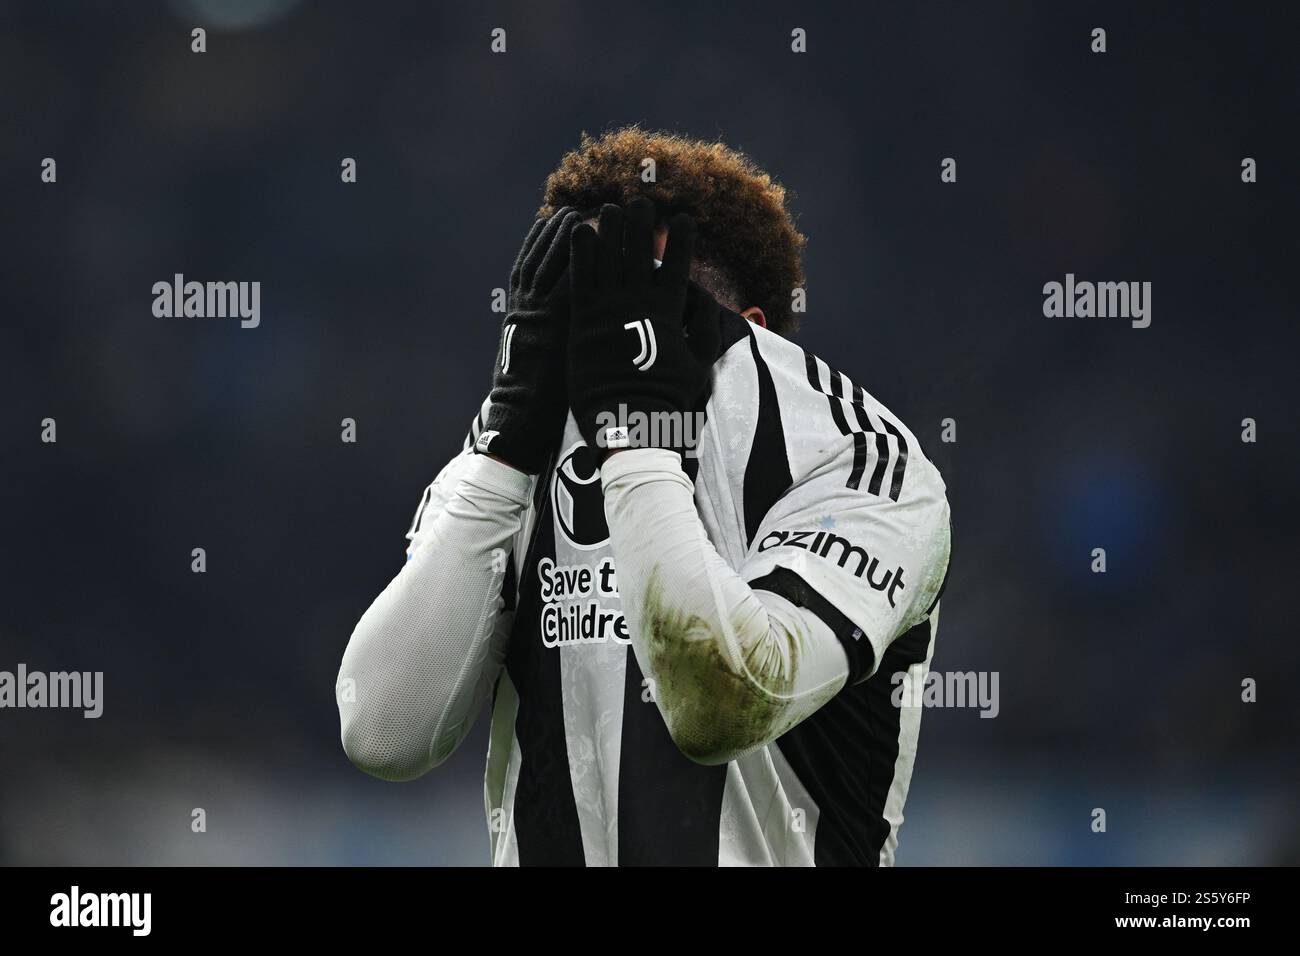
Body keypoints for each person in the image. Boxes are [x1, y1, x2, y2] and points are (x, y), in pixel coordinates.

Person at [336, 127, 951, 866]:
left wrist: (637, 437)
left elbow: (722, 704)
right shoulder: (507, 451)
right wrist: (502, 452)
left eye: (639, 307)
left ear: (754, 330)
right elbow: (385, 732)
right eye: (575, 309)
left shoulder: (855, 455)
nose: (596, 340)